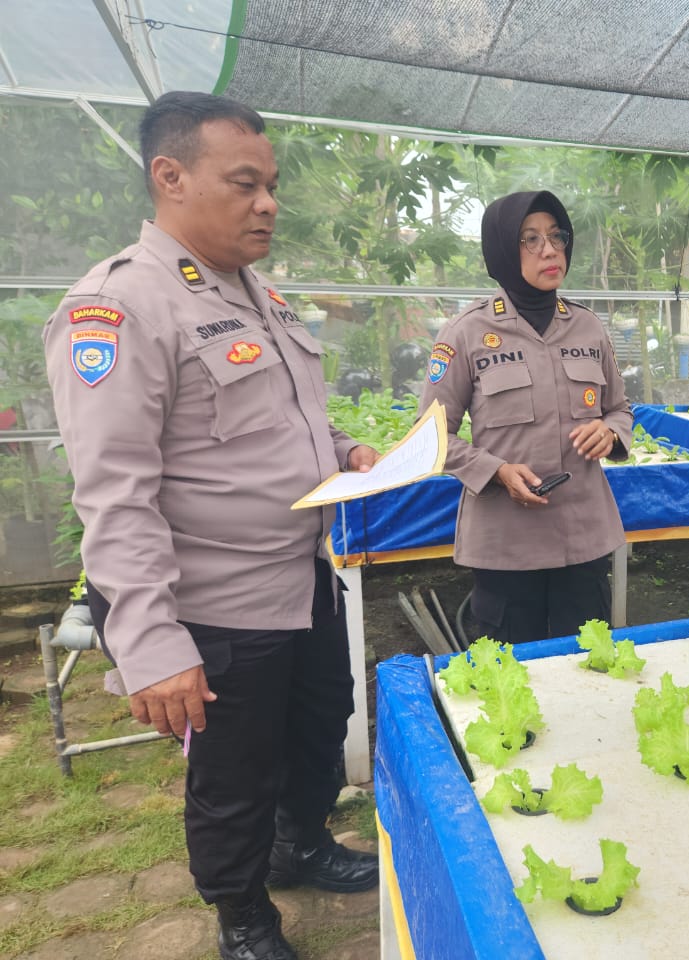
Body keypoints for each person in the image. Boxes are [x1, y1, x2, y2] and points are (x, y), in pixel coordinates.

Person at [43, 92, 379, 960]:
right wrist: (152, 643)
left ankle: (300, 846)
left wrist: (346, 449)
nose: (268, 203)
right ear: (171, 176)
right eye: (244, 183)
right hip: (216, 606)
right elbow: (113, 493)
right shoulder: (118, 307)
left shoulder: (256, 293)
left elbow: (288, 420)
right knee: (234, 777)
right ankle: (243, 917)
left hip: (301, 574)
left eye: (272, 185)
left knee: (319, 728)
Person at [420, 190, 633, 643]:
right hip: (507, 547)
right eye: (530, 239)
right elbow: (431, 437)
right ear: (501, 249)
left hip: (583, 539)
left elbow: (618, 409)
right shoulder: (466, 333)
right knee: (514, 672)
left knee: (587, 667)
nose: (549, 250)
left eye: (557, 237)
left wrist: (610, 433)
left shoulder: (588, 327)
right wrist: (495, 471)